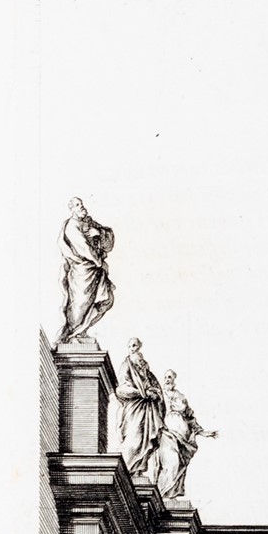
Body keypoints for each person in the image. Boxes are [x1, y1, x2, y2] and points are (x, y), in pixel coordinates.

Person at [58, 197, 115, 343]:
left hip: (95, 270)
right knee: (80, 305)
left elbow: (108, 239)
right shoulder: (72, 226)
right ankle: (72, 335)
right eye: (77, 205)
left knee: (107, 300)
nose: (81, 207)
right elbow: (84, 248)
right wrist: (98, 262)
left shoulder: (88, 222)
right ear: (72, 209)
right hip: (82, 271)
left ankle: (81, 332)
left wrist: (98, 233)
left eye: (81, 204)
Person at [154, 371, 216, 502]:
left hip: (183, 439)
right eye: (165, 377)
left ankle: (171, 496)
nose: (167, 380)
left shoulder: (181, 397)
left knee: (180, 466)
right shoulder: (159, 395)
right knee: (171, 462)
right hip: (166, 434)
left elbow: (190, 418)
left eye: (170, 377)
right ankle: (162, 495)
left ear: (174, 379)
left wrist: (202, 432)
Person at [113, 340, 165, 480]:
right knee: (134, 440)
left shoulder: (146, 371)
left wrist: (155, 394)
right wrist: (143, 393)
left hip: (148, 410)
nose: (132, 348)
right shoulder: (126, 366)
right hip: (134, 410)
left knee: (145, 441)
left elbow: (157, 389)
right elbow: (121, 389)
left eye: (135, 346)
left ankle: (137, 471)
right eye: (130, 346)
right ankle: (122, 472)